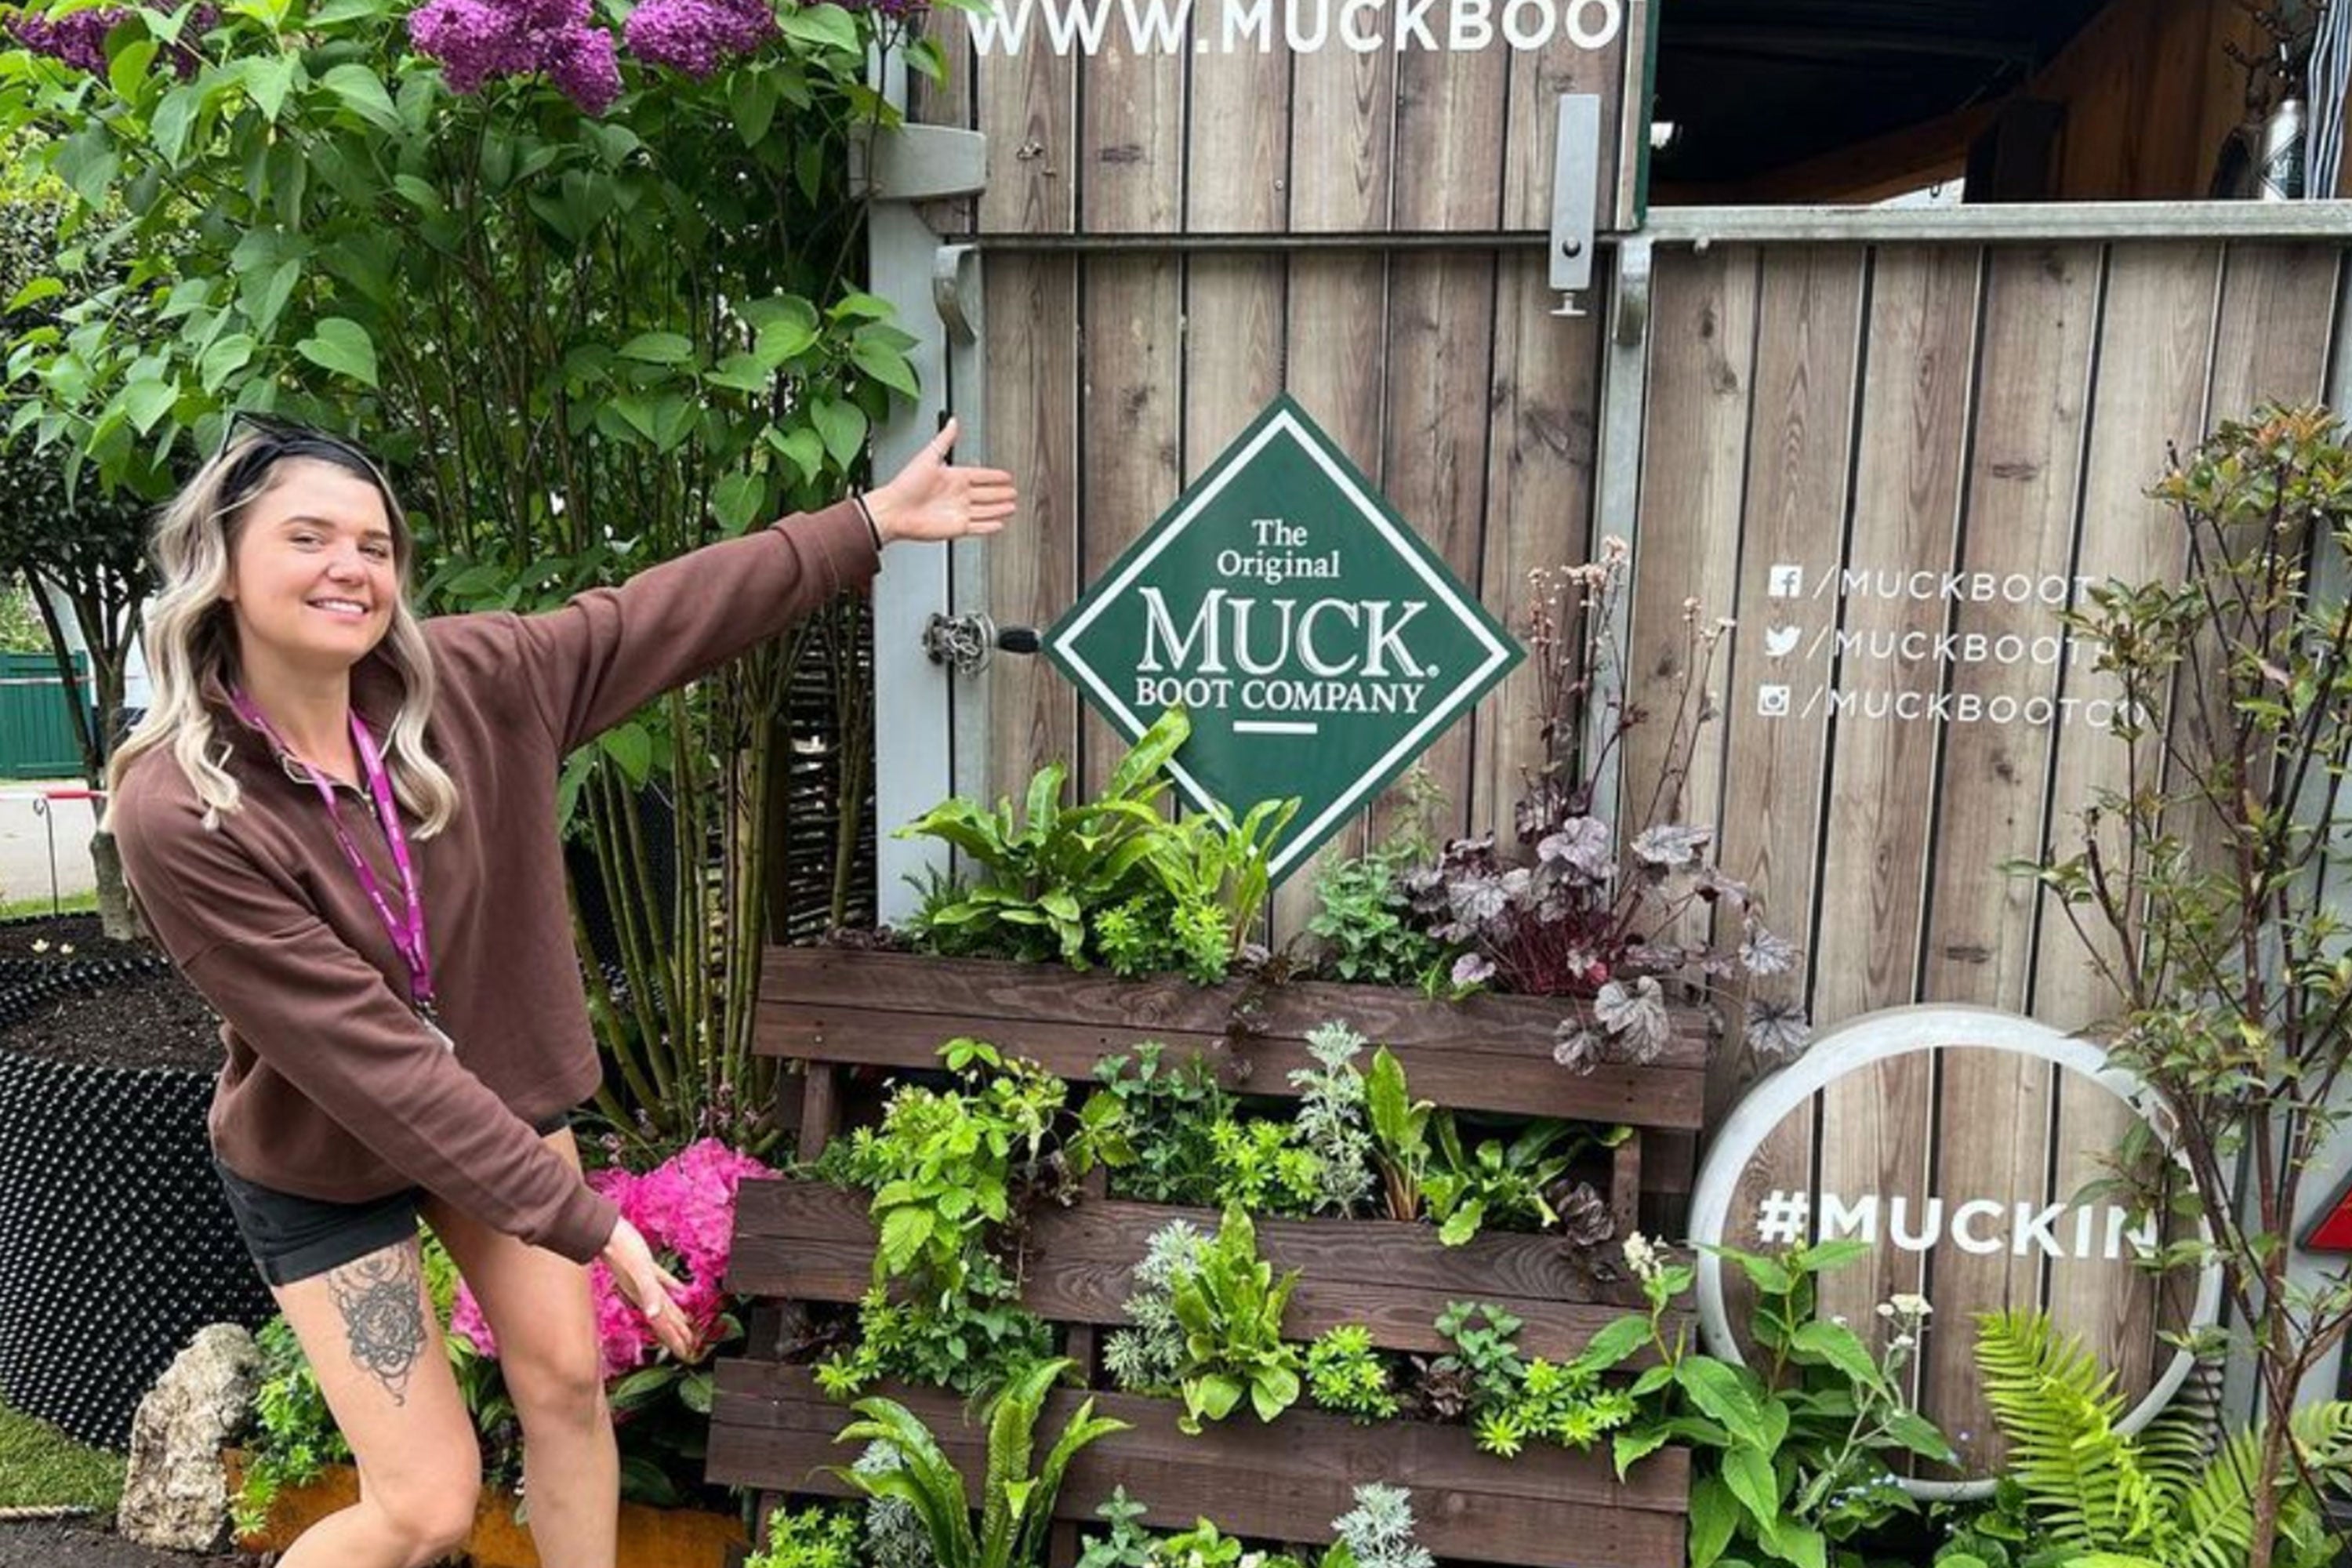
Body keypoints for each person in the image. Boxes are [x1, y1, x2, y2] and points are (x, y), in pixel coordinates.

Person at [104, 414, 1014, 1568]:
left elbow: (660, 616)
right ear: (224, 564)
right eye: (310, 537)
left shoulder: (474, 684)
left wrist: (867, 523)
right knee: (429, 1506)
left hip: (498, 1096)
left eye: (376, 544)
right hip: (327, 1159)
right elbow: (376, 1064)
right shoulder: (181, 811)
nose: (352, 567)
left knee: (570, 1385)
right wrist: (599, 1229)